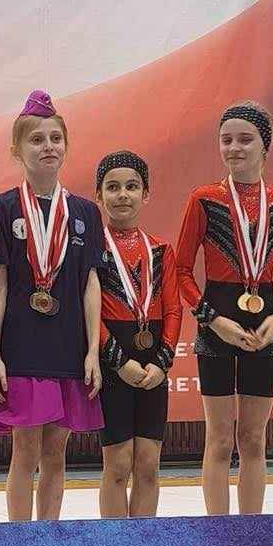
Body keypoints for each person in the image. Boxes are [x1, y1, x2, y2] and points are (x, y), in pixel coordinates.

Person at [0, 90, 104, 521]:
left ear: (66, 145)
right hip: (21, 346)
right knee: (25, 449)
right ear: (17, 149)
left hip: (68, 345)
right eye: (36, 139)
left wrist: (93, 350)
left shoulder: (86, 212)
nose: (48, 146)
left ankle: (47, 536)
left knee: (56, 451)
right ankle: (20, 537)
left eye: (55, 138)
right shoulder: (1, 209)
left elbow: (90, 284)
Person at [175, 101, 273, 515]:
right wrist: (212, 320)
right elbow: (180, 270)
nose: (234, 148)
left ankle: (251, 529)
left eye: (245, 140)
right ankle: (218, 529)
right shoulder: (204, 199)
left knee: (253, 439)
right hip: (217, 322)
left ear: (266, 146)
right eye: (226, 140)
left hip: (264, 324)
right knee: (219, 439)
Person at [93, 151, 182, 518]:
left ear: (146, 194)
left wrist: (162, 363)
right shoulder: (93, 251)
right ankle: (116, 545)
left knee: (148, 465)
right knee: (117, 465)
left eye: (131, 187)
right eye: (112, 187)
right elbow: (88, 314)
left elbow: (173, 309)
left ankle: (142, 543)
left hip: (152, 364)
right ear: (99, 196)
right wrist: (118, 361)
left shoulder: (160, 250)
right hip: (112, 361)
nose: (122, 195)